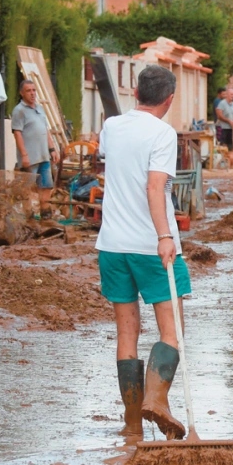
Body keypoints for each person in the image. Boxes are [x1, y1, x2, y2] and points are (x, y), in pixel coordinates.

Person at [95, 65, 193, 441]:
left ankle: (133, 423)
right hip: (151, 247)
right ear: (169, 100)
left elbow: (111, 161)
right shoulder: (163, 133)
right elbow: (156, 189)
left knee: (126, 334)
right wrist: (165, 235)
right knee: (172, 331)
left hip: (112, 246)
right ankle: (157, 400)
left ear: (136, 94)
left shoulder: (112, 127)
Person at [11, 79, 61, 218]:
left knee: (46, 186)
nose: (32, 93)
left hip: (44, 156)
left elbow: (45, 130)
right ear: (22, 93)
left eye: (34, 90)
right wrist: (24, 155)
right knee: (26, 188)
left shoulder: (40, 109)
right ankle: (29, 217)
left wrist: (52, 150)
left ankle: (45, 215)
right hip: (30, 158)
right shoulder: (19, 111)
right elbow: (17, 133)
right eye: (28, 91)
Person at [215, 89, 233, 167]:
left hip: (230, 128)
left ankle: (231, 162)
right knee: (222, 145)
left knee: (230, 145)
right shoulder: (222, 103)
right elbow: (219, 115)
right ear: (227, 95)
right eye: (231, 94)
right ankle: (221, 162)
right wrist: (228, 121)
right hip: (222, 127)